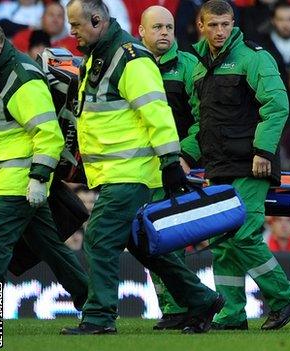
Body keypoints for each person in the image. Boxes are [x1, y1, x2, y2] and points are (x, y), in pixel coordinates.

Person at [60, 0, 222, 335]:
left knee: (100, 239)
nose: (71, 31)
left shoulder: (130, 58)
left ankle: (99, 317)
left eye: (76, 25)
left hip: (130, 174)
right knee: (145, 244)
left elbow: (157, 112)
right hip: (118, 173)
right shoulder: (101, 57)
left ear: (96, 20)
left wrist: (170, 160)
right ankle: (202, 300)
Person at [191, 0, 290, 331]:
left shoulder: (254, 56)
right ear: (201, 26)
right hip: (219, 166)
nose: (220, 31)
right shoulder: (199, 65)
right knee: (223, 245)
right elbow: (202, 120)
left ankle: (284, 296)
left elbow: (278, 104)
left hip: (251, 164)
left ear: (233, 23)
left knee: (241, 235)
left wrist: (262, 151)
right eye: (213, 25)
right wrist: (189, 155)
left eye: (225, 24)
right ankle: (231, 314)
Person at [0, 19, 88, 316]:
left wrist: (37, 179)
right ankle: (94, 301)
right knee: (53, 249)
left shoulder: (22, 79)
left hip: (19, 183)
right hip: (8, 180)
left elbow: (48, 135)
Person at [138, 5, 202, 330]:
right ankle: (173, 308)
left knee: (171, 240)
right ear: (141, 32)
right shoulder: (131, 68)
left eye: (169, 27)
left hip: (176, 170)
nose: (164, 32)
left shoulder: (189, 66)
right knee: (151, 243)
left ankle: (184, 308)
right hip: (139, 170)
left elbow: (205, 120)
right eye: (157, 27)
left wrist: (186, 156)